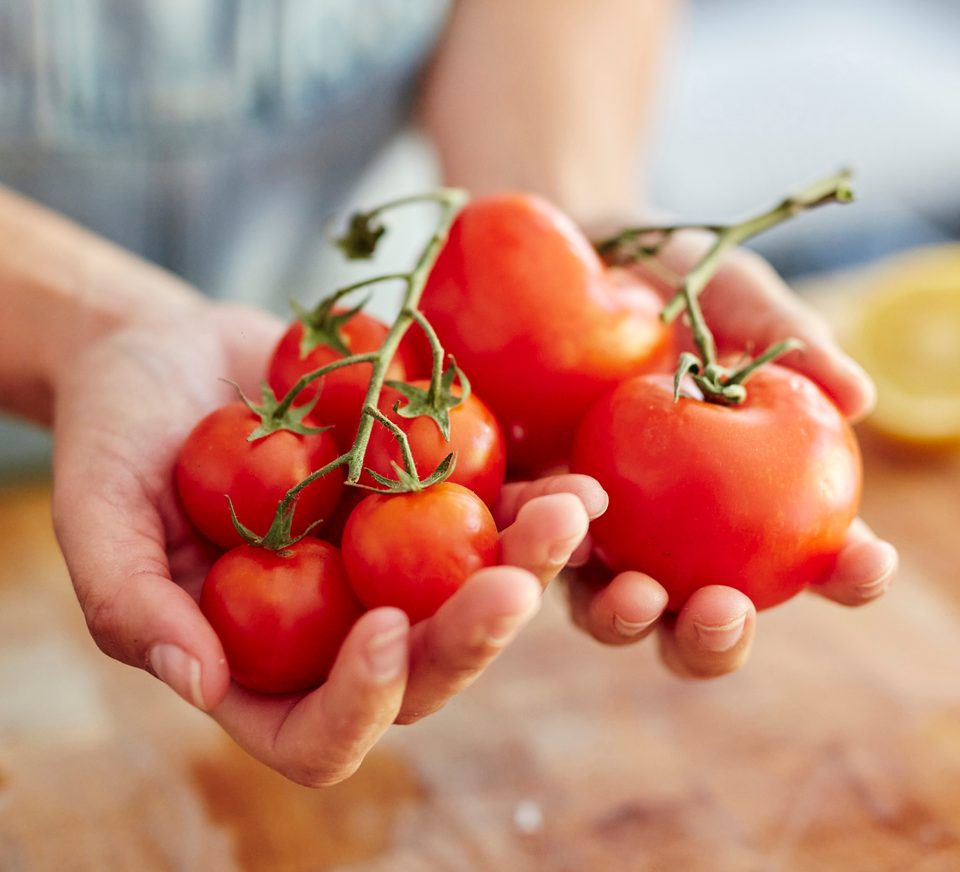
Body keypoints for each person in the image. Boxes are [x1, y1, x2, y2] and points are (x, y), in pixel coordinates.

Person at [0, 0, 896, 787]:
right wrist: (82, 329)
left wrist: (555, 213)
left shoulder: (405, 421)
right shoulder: (388, 444)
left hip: (386, 351)